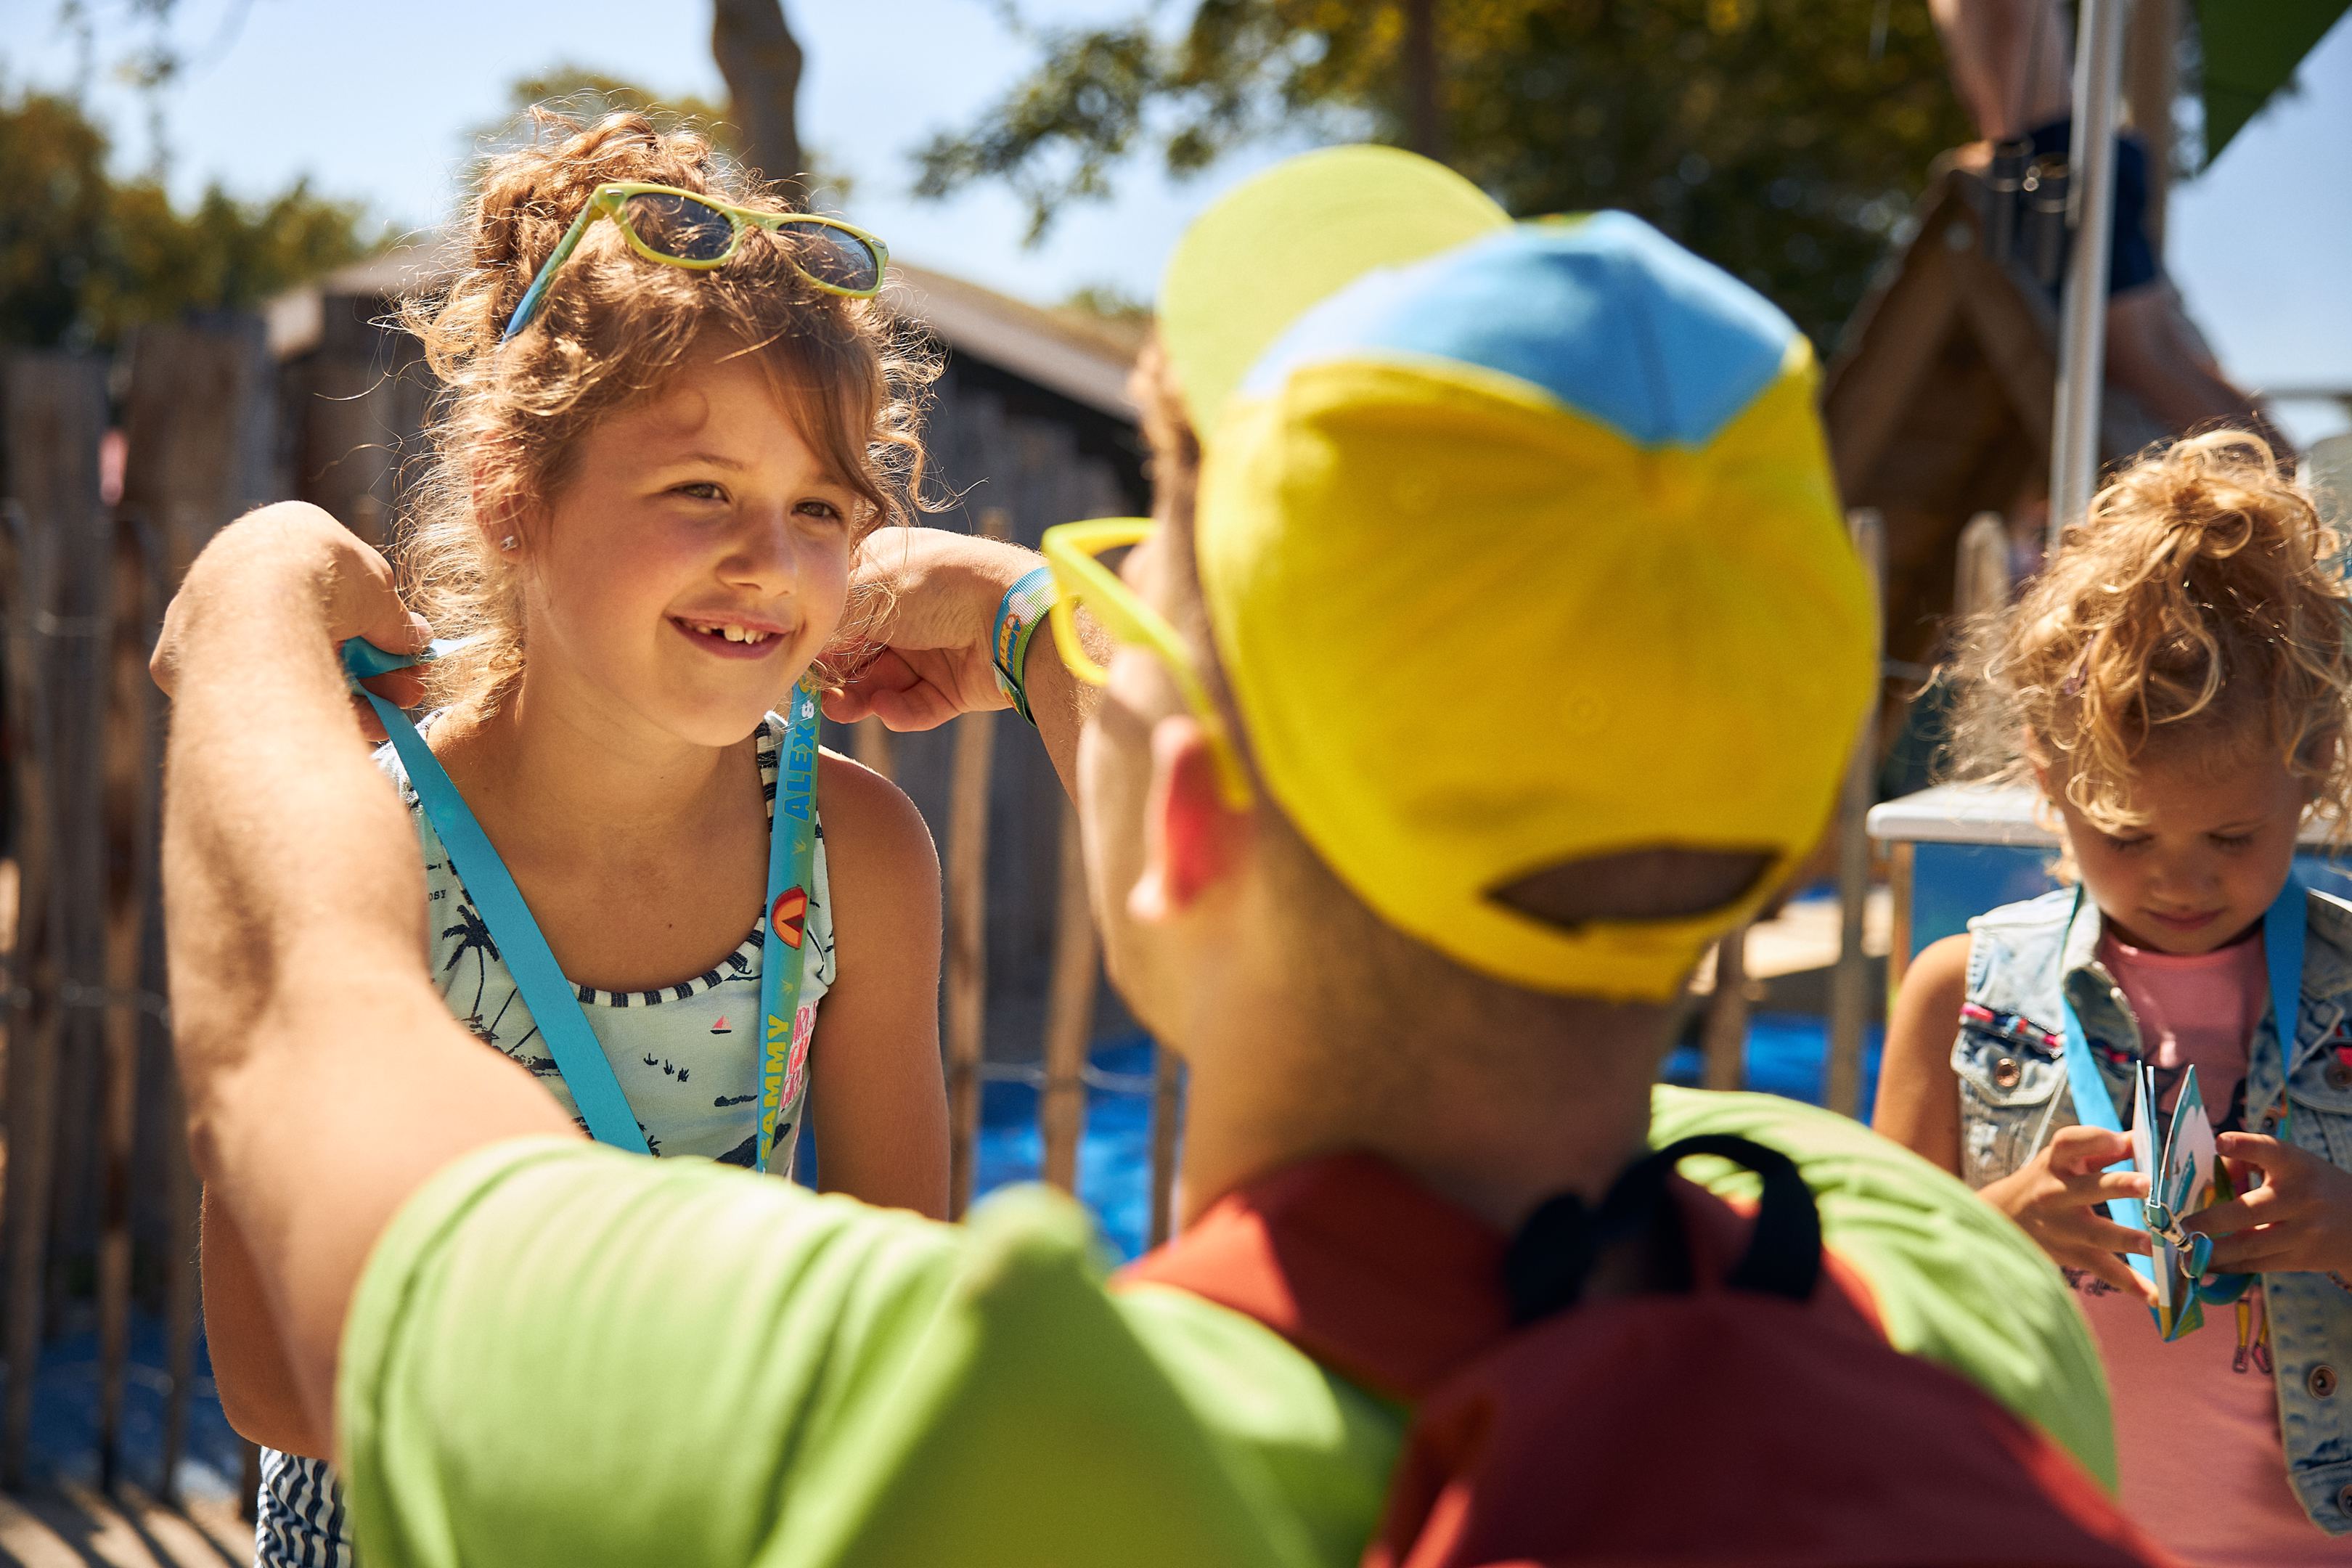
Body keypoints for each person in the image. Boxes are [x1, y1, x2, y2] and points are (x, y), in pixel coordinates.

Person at [163, 146, 2157, 1565]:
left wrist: (250, 613)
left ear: (1179, 824)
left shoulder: (939, 1439)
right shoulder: (1948, 1309)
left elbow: (295, 1030)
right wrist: (1048, 619)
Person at [205, 111, 952, 1564]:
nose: (771, 557)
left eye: (819, 507)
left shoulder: (855, 855)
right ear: (510, 498)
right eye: (702, 491)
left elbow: (899, 1309)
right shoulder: (358, 847)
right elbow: (276, 1378)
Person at [1875, 432, 2352, 1561]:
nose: (2182, 878)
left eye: (2232, 836)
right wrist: (2005, 1227)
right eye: (2128, 834)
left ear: (2319, 766)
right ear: (2049, 776)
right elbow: (1871, 1276)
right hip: (2033, 1526)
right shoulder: (1959, 994)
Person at [1928, 0, 2288, 457]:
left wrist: (2002, 146)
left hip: (2054, 151)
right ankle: (2294, 478)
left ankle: (2283, 485)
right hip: (2071, 143)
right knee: (2164, 351)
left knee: (2137, 358)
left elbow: (2010, 26)